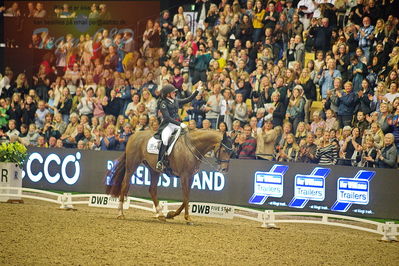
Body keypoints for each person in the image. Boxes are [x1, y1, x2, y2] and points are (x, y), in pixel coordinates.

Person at [155, 84, 201, 171]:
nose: (175, 93)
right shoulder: (163, 103)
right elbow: (167, 118)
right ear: (168, 94)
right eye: (173, 92)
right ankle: (160, 161)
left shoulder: (175, 100)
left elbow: (188, 99)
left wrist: (197, 91)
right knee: (165, 139)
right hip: (168, 125)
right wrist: (180, 124)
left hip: (177, 124)